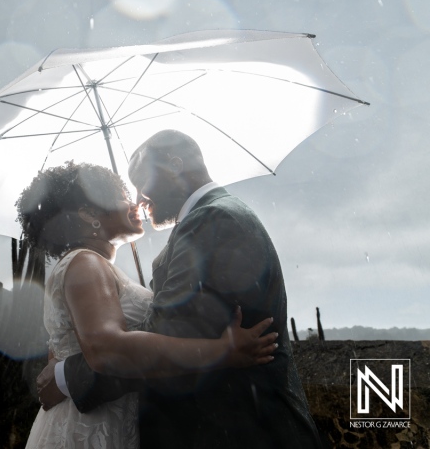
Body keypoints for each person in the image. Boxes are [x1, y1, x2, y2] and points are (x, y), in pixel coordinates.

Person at [38, 131, 322, 448]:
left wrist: (67, 377)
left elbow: (170, 333)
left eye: (140, 180)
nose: (138, 198)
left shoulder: (212, 220)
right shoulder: (208, 219)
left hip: (245, 432)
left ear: (174, 167)